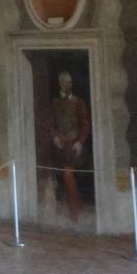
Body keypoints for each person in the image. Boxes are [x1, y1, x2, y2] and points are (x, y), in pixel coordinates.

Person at [47, 71, 90, 222]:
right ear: (61, 83)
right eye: (66, 82)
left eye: (70, 82)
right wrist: (55, 137)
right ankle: (67, 208)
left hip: (73, 146)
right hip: (59, 147)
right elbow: (51, 124)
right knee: (61, 177)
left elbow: (85, 125)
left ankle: (74, 211)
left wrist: (80, 142)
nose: (69, 84)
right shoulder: (55, 103)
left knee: (69, 175)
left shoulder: (78, 102)